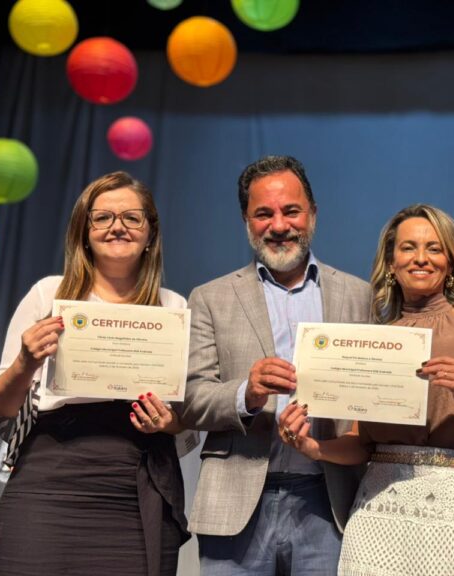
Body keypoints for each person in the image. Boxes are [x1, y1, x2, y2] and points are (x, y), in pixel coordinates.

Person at [280, 204, 454, 576]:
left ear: (451, 261)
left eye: (435, 248)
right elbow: (363, 445)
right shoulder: (374, 341)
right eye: (408, 248)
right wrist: (314, 448)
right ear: (391, 263)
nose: (421, 258)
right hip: (381, 508)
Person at [0, 171, 190, 576]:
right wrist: (27, 362)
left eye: (132, 217)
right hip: (49, 479)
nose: (117, 226)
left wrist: (170, 423)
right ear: (83, 231)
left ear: (151, 233)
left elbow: (184, 418)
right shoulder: (48, 293)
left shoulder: (174, 306)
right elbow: (2, 407)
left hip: (136, 484)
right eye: (102, 217)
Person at [180, 155, 370, 576]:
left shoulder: (360, 295)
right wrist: (245, 393)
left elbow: (373, 398)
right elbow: (190, 400)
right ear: (246, 221)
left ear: (313, 214)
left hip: (330, 498)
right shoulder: (210, 297)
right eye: (263, 213)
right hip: (236, 501)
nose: (279, 225)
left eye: (291, 211)